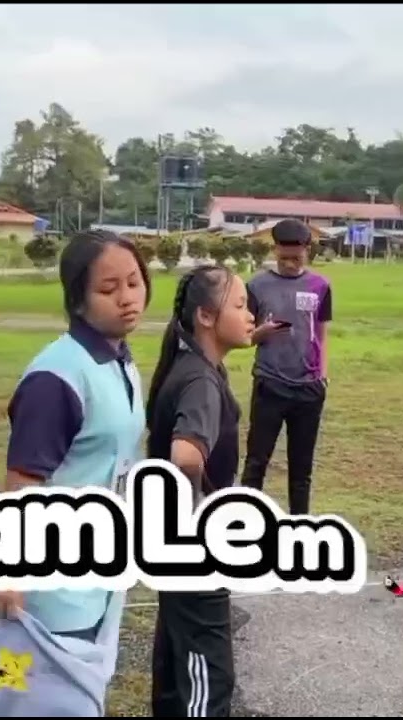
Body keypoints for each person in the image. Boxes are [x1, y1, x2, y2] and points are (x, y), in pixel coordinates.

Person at [0, 230, 151, 717]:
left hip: (97, 576)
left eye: (134, 282)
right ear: (78, 299)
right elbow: (22, 484)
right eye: (109, 288)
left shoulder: (119, 361)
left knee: (65, 699)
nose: (127, 298)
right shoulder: (57, 376)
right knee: (21, 695)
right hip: (51, 588)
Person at [143, 264, 254, 717]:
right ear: (206, 317)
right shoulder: (201, 381)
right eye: (241, 306)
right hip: (194, 549)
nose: (250, 315)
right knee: (210, 675)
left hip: (172, 543)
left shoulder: (192, 365)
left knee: (177, 666)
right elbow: (186, 456)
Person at [240, 218, 332, 516]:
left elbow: (321, 333)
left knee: (301, 470)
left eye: (296, 258)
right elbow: (243, 336)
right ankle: (244, 523)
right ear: (275, 250)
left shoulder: (320, 286)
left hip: (309, 389)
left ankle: (299, 527)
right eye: (284, 258)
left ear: (308, 250)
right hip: (270, 384)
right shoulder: (256, 286)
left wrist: (322, 375)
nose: (290, 264)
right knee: (256, 462)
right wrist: (262, 332)